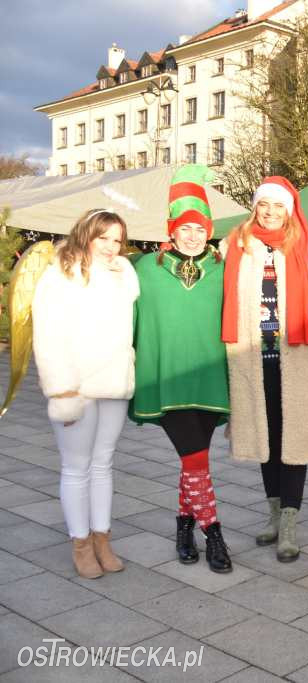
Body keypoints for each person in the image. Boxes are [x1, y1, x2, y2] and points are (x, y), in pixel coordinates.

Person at [221, 176, 308, 562]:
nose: (269, 212)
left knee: (292, 442)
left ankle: (290, 525)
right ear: (255, 207)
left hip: (296, 359)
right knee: (265, 441)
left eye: (277, 206)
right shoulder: (234, 246)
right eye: (263, 204)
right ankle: (272, 516)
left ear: (289, 210)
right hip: (251, 357)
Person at [131, 165, 231, 573]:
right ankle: (214, 532)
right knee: (195, 459)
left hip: (210, 379)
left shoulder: (225, 270)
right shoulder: (144, 270)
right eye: (185, 227)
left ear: (209, 229)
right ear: (171, 229)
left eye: (200, 227)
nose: (192, 235)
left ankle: (183, 525)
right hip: (166, 378)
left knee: (196, 459)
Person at [32, 209, 139, 579]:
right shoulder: (59, 273)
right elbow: (46, 336)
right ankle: (80, 544)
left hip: (114, 381)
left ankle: (102, 540)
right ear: (86, 235)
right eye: (103, 237)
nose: (111, 246)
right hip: (75, 385)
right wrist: (62, 390)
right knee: (76, 468)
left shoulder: (124, 273)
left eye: (117, 239)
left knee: (103, 463)